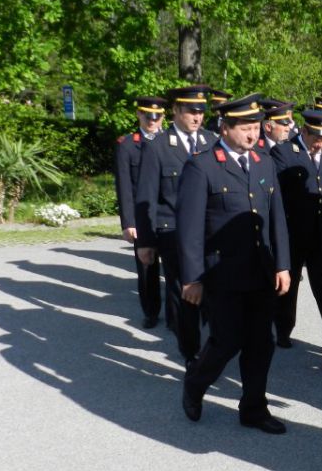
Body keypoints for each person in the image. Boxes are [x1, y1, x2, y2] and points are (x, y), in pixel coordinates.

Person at [177, 94, 292, 434]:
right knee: (226, 341)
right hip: (222, 274)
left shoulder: (263, 162)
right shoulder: (202, 166)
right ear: (224, 128)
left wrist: (282, 264)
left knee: (262, 342)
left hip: (261, 271)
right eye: (244, 127)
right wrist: (192, 279)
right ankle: (195, 384)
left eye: (255, 127)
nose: (252, 134)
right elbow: (190, 229)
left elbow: (277, 219)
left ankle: (254, 408)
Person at [135, 85, 214, 363]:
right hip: (173, 233)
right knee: (184, 292)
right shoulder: (158, 147)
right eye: (191, 111)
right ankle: (190, 351)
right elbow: (145, 197)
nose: (197, 117)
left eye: (201, 111)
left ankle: (212, 343)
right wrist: (145, 241)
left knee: (212, 290)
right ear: (176, 111)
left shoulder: (210, 141)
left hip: (208, 233)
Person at [270, 107, 322, 348]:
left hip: (321, 233)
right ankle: (283, 330)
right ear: (304, 131)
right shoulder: (283, 153)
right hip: (293, 233)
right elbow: (276, 197)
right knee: (288, 288)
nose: (320, 144)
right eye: (316, 139)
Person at [115, 96, 165, 328]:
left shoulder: (170, 142)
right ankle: (151, 310)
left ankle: (176, 314)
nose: (152, 122)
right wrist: (128, 222)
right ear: (139, 115)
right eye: (148, 117)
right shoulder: (127, 144)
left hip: (169, 214)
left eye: (157, 117)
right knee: (147, 267)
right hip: (143, 216)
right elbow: (124, 186)